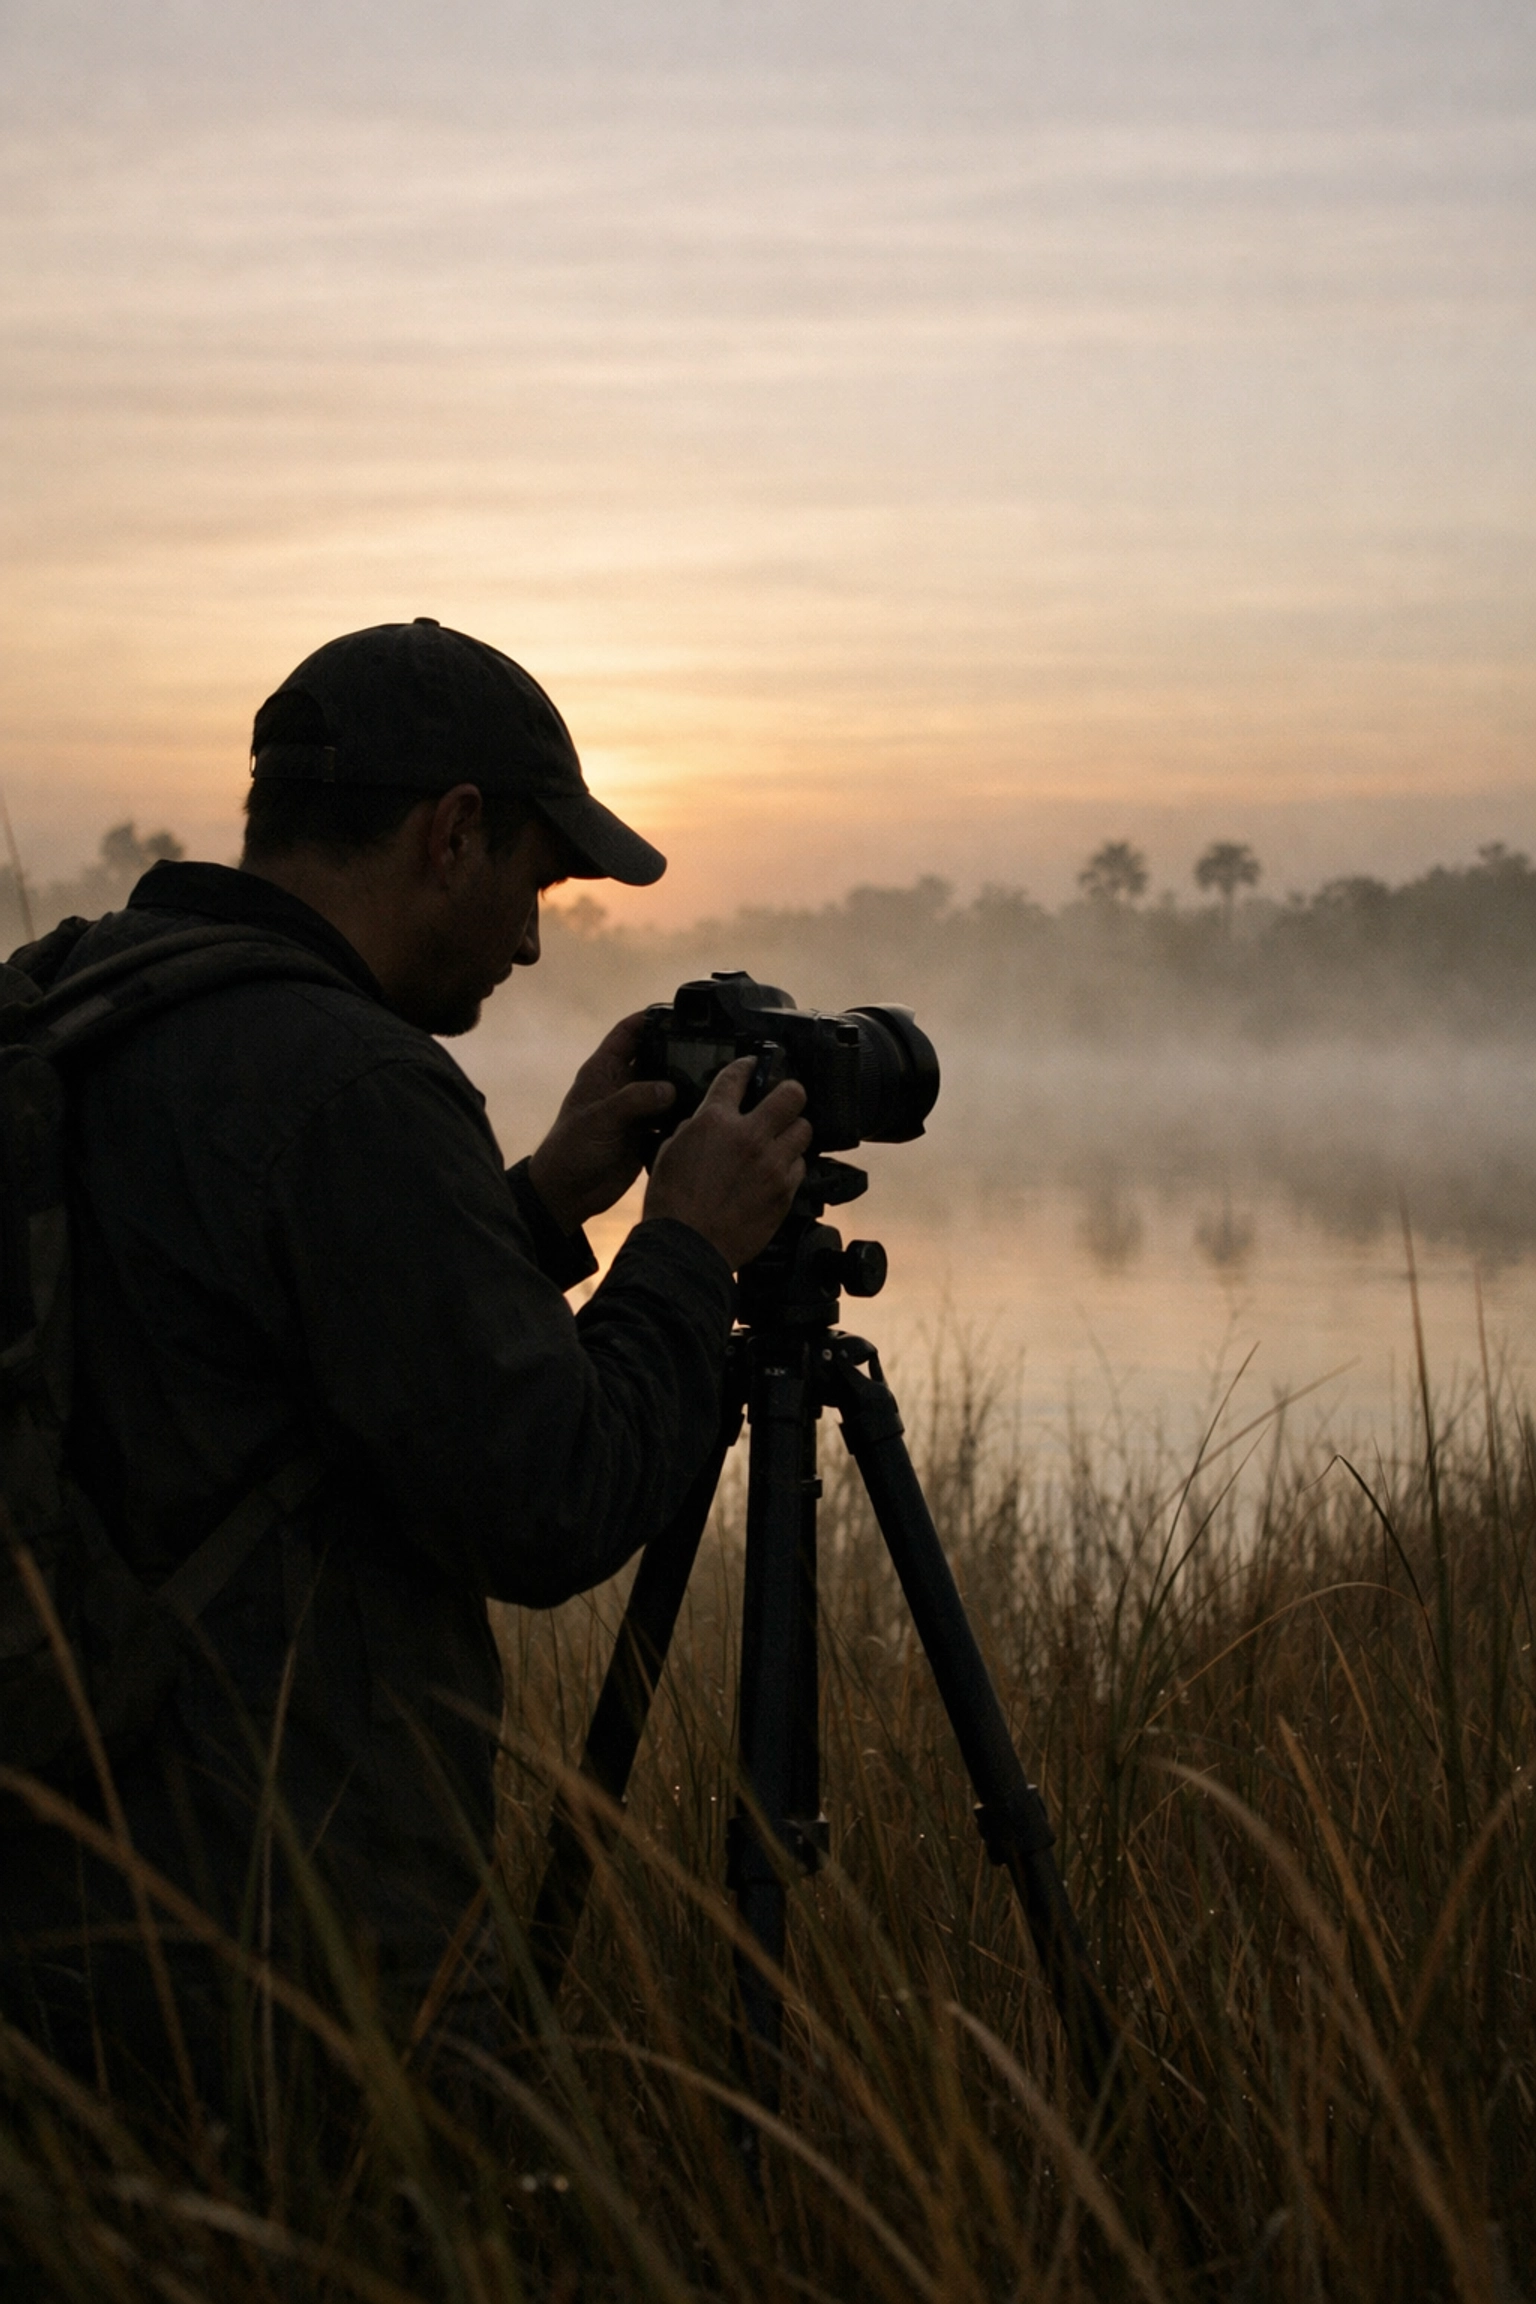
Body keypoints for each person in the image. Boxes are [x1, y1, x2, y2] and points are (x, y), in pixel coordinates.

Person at [0, 617, 811, 2105]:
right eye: (535, 881)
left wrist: (538, 1200)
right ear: (453, 832)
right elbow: (552, 1500)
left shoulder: (74, 1002)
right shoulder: (355, 1082)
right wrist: (687, 1252)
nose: (530, 939)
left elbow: (249, 1357)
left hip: (56, 1880)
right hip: (280, 1946)